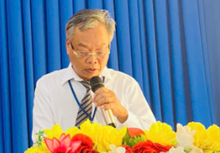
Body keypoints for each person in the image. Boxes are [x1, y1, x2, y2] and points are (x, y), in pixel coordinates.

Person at [32, 9, 156, 140]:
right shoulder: (48, 86)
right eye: (83, 52)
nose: (92, 59)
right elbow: (41, 140)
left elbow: (153, 138)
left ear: (109, 47)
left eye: (100, 51)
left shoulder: (126, 84)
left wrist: (123, 114)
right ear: (68, 45)